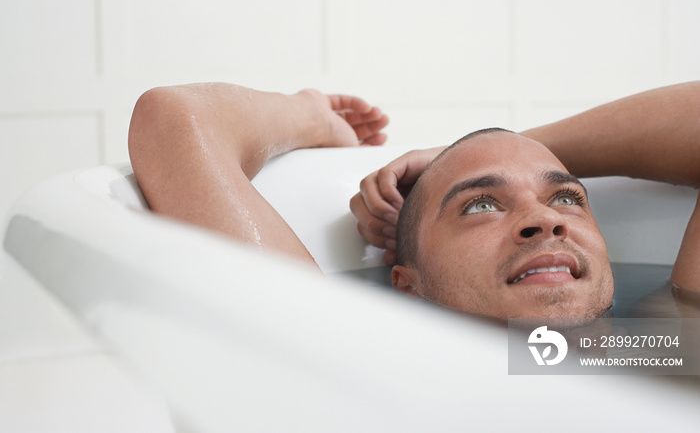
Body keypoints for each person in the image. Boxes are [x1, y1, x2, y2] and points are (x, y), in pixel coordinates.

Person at [128, 81, 700, 322]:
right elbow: (174, 119)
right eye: (480, 205)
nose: (544, 220)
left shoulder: (669, 346)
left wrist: (479, 149)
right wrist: (309, 113)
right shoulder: (345, 362)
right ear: (407, 282)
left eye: (567, 197)